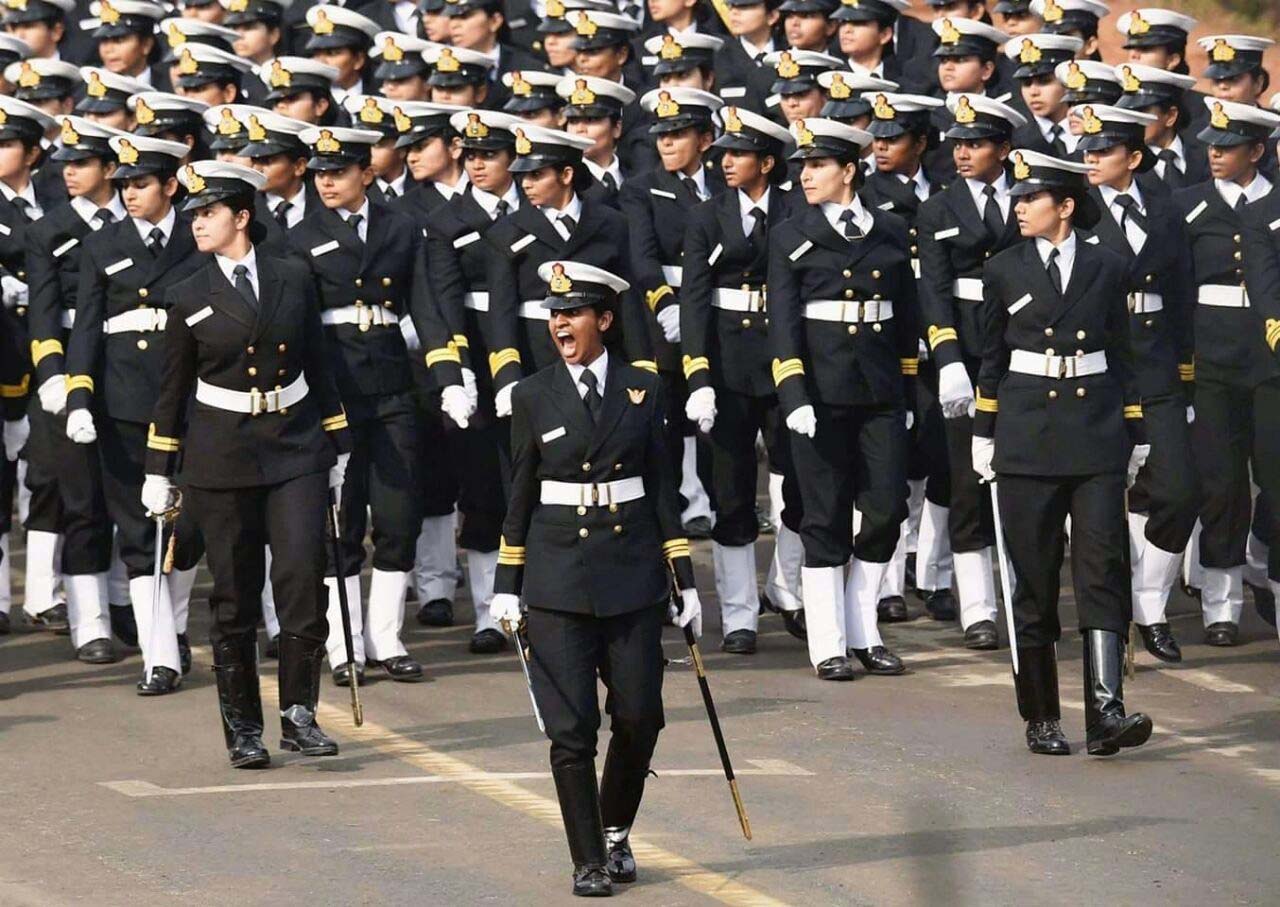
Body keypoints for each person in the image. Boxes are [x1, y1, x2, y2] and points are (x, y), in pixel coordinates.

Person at [489, 259, 702, 897]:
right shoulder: (531, 394)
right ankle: (588, 859)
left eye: (573, 313)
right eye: (554, 315)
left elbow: (664, 487)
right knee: (572, 730)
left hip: (631, 574)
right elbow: (520, 493)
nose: (560, 323)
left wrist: (684, 579)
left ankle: (614, 829)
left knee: (640, 716)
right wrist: (506, 582)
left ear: (603, 320)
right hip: (555, 579)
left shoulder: (644, 387)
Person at [141, 160, 352, 767]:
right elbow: (172, 389)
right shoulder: (186, 292)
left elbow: (320, 361)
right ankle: (243, 728)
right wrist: (159, 468)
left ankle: (298, 715)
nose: (196, 223)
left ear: (241, 216)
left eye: (207, 213)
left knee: (302, 581)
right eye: (193, 214)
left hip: (295, 445)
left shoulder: (293, 276)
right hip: (221, 451)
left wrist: (337, 445)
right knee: (234, 594)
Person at [973, 148, 1153, 757]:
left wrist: (1137, 427)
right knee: (1035, 576)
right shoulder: (1002, 269)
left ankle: (1106, 711)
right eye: (1018, 198)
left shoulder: (1109, 266)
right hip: (1025, 436)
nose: (1019, 206)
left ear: (1066, 206)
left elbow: (1125, 352)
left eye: (1032, 198)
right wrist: (982, 431)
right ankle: (1042, 715)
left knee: (1103, 567)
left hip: (1096, 431)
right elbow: (991, 360)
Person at [768, 117, 918, 681]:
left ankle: (864, 630)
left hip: (879, 391)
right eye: (804, 166)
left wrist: (908, 392)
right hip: (819, 395)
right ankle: (829, 641)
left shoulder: (888, 228)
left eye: (818, 165)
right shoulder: (788, 235)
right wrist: (793, 393)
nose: (806, 176)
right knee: (825, 514)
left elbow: (905, 317)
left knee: (885, 509)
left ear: (848, 170)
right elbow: (782, 324)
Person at [285, 123, 430, 684]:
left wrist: (450, 372)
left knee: (397, 515)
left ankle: (387, 637)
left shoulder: (401, 227)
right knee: (340, 522)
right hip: (336, 386)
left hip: (392, 383)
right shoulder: (299, 236)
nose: (326, 182)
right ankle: (345, 643)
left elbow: (425, 306)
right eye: (319, 173)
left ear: (366, 174)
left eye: (338, 172)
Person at [63, 132, 205, 695]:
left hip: (190, 400)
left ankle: (172, 628)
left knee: (189, 529)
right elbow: (86, 330)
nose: (128, 194)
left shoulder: (198, 238)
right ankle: (159, 655)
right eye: (122, 184)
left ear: (171, 185)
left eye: (140, 184)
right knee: (138, 532)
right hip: (122, 403)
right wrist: (78, 397)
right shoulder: (104, 243)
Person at [680, 105, 808, 646]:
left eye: (739, 153)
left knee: (798, 485)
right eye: (724, 153)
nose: (727, 162)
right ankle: (738, 616)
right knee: (730, 497)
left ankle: (787, 589)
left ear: (768, 160)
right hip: (729, 367)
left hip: (786, 364)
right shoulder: (708, 215)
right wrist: (699, 376)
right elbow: (694, 301)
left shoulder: (798, 208)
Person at [1077, 103, 1197, 662]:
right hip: (1100, 367)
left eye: (1103, 152)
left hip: (1156, 365)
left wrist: (1187, 373)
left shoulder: (1167, 210)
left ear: (1134, 157)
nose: (1091, 159)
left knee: (1179, 490)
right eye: (1088, 150)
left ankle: (1150, 600)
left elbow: (1182, 292)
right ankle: (1114, 614)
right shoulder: (1074, 211)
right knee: (1101, 501)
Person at [916, 93, 1026, 644]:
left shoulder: (1028, 198)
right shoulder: (938, 207)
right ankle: (978, 609)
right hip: (966, 352)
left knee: (1024, 478)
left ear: (1003, 149)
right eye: (958, 144)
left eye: (976, 144)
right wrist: (947, 358)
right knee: (966, 483)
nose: (963, 154)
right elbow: (932, 290)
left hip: (1020, 351)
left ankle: (1023, 597)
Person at [1172, 99, 1280, 645]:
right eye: (1211, 145)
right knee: (1221, 483)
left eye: (1228, 146)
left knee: (1276, 477)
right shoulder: (1187, 205)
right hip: (1211, 357)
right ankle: (1221, 604)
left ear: (1257, 151)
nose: (1214, 153)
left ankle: (1271, 576)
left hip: (1271, 359)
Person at [22, 114, 129, 663]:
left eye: (83, 163)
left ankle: (127, 604)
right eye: (66, 164)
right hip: (68, 367)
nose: (70, 173)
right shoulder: (48, 231)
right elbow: (43, 310)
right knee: (82, 500)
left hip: (126, 367)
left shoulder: (132, 224)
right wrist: (52, 375)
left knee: (132, 496)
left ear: (111, 168)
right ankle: (90, 621)